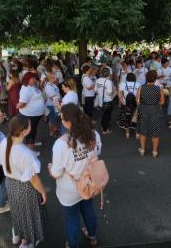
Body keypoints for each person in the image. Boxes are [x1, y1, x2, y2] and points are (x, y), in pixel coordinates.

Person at [48, 104, 101, 248]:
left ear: (67, 122)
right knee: (88, 209)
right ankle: (93, 237)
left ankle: (72, 245)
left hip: (69, 189)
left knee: (72, 218)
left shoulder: (61, 144)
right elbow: (97, 154)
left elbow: (56, 173)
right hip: (89, 183)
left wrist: (50, 168)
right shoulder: (93, 134)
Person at [0, 115, 46, 248]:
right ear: (24, 131)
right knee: (29, 213)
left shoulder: (4, 142)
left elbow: (1, 161)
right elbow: (34, 179)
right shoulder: (26, 154)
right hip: (25, 187)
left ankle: (17, 234)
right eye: (29, 125)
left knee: (17, 210)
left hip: (10, 184)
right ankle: (26, 241)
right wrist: (43, 192)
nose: (31, 126)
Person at [136, 70, 164, 157]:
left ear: (146, 78)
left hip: (144, 110)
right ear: (155, 79)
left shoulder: (141, 87)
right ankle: (154, 151)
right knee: (155, 131)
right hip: (155, 110)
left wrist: (144, 102)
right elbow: (162, 102)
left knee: (143, 131)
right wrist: (155, 103)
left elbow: (137, 101)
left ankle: (142, 150)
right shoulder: (158, 88)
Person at [17, 72, 45, 152]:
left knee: (33, 130)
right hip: (30, 115)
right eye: (32, 78)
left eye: (34, 78)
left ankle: (32, 143)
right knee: (30, 132)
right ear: (27, 79)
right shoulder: (26, 89)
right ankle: (31, 151)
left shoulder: (31, 86)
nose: (35, 80)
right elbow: (21, 104)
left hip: (34, 115)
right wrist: (17, 106)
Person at [118, 72, 140, 138]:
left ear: (127, 78)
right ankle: (137, 134)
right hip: (135, 104)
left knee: (126, 118)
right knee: (136, 118)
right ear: (134, 78)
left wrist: (122, 101)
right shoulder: (138, 84)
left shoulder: (123, 84)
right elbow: (139, 95)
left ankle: (127, 133)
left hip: (126, 104)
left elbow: (119, 94)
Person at [95, 68, 115, 134]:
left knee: (104, 114)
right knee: (107, 116)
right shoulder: (108, 82)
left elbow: (95, 91)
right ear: (108, 74)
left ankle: (103, 126)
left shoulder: (97, 80)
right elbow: (109, 93)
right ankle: (105, 130)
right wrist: (114, 91)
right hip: (107, 101)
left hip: (101, 101)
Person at [44, 72, 61, 137]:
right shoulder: (48, 87)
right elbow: (52, 98)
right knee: (52, 119)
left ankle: (55, 129)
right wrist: (59, 103)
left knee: (54, 118)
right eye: (53, 77)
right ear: (49, 79)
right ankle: (52, 132)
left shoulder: (52, 84)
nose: (55, 78)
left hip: (54, 104)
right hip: (52, 105)